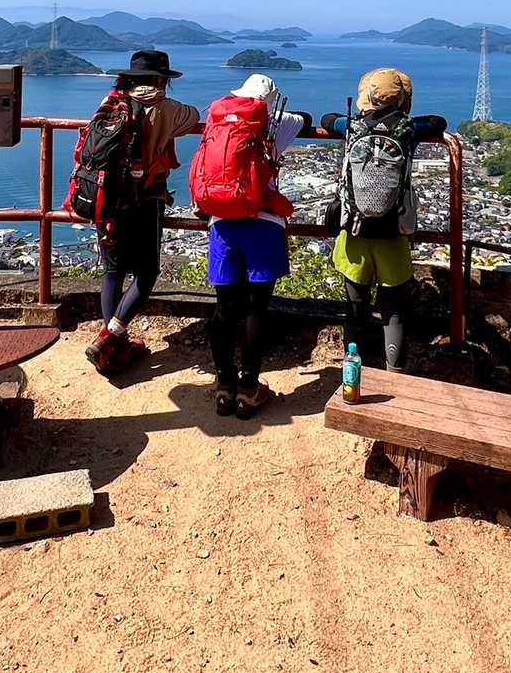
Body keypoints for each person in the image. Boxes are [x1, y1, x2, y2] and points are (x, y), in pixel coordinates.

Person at [191, 73, 308, 418]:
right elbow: (304, 119)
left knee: (225, 308)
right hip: (264, 223)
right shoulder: (277, 122)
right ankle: (249, 388)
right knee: (257, 308)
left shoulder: (218, 121)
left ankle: (224, 386)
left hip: (221, 222)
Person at [321, 68, 446, 373]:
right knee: (394, 311)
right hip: (394, 233)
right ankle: (395, 374)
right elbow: (438, 122)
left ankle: (352, 373)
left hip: (354, 233)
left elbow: (326, 119)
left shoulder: (351, 126)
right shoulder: (408, 129)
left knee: (355, 309)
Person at [84, 50, 200, 374]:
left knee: (112, 271)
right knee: (147, 273)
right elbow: (193, 116)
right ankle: (110, 337)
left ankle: (112, 348)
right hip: (145, 200)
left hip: (106, 198)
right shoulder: (165, 107)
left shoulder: (111, 102)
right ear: (161, 80)